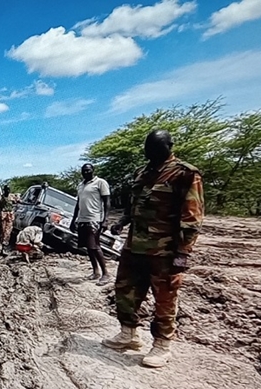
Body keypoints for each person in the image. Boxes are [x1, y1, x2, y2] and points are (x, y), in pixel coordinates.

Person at [102, 129, 204, 369]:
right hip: (134, 246)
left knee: (165, 298)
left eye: (157, 147)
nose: (151, 152)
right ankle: (128, 334)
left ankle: (162, 345)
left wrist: (183, 254)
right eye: (148, 148)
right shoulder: (141, 173)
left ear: (170, 146)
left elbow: (192, 219)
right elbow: (133, 206)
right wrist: (121, 222)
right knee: (125, 291)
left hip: (165, 252)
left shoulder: (185, 174)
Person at [70, 163, 112, 284]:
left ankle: (106, 273)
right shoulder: (80, 185)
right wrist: (74, 220)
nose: (86, 173)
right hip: (83, 219)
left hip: (95, 219)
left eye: (88, 170)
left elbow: (107, 202)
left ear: (93, 170)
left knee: (95, 246)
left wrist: (105, 220)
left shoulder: (100, 183)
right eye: (84, 171)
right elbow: (78, 204)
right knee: (88, 247)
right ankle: (95, 271)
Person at [0, 185, 15, 256]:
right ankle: (3, 248)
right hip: (3, 215)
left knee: (8, 232)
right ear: (4, 190)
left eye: (9, 190)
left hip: (10, 215)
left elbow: (18, 202)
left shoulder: (12, 196)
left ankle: (5, 247)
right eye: (7, 190)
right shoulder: (0, 198)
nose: (8, 191)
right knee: (3, 232)